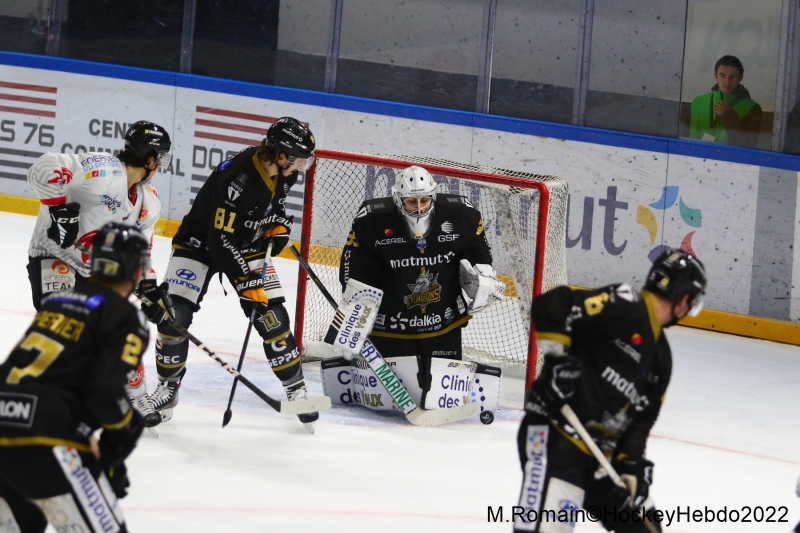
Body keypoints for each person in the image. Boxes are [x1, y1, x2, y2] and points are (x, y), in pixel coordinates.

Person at [142, 117, 317, 430]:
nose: (301, 167)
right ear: (280, 154)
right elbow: (219, 240)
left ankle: (296, 388)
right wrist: (246, 282)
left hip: (246, 246)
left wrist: (277, 225)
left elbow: (270, 208)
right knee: (173, 316)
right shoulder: (238, 176)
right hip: (199, 245)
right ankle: (168, 389)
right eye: (299, 159)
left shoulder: (285, 173)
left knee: (272, 318)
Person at [514, 249, 706, 533]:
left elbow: (641, 422)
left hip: (602, 458)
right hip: (555, 437)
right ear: (685, 299)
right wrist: (558, 361)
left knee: (645, 527)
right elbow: (553, 304)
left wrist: (630, 468)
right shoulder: (625, 304)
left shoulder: (661, 360)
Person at [0, 223, 151, 533]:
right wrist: (118, 444)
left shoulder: (57, 301)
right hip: (48, 441)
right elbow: (105, 392)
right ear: (136, 272)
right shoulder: (123, 314)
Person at [25, 120, 172, 421]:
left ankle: (137, 397)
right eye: (160, 157)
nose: (160, 165)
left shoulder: (149, 202)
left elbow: (140, 251)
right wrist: (57, 211)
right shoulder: (103, 170)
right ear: (149, 159)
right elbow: (42, 168)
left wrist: (149, 288)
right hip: (53, 256)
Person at [338, 165, 504, 405]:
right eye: (411, 202)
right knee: (390, 401)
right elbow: (354, 272)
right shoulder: (371, 222)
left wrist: (484, 277)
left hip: (443, 321)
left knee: (440, 399)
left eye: (424, 200)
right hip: (392, 324)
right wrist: (353, 320)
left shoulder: (461, 216)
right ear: (398, 198)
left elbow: (479, 254)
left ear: (433, 195)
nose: (419, 207)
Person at [689, 55, 762, 149]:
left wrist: (726, 115)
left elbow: (747, 144)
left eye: (733, 77)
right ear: (715, 76)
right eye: (722, 76)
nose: (727, 82)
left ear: (740, 78)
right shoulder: (698, 102)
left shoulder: (752, 108)